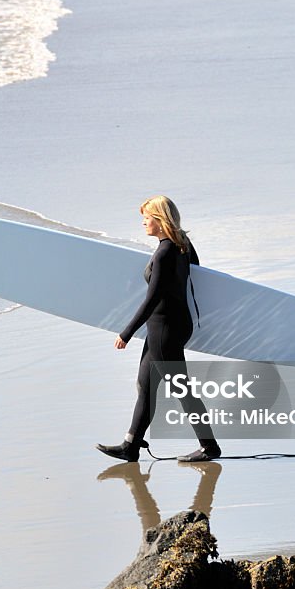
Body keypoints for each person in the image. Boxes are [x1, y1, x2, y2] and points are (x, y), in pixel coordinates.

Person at [96, 196, 222, 463]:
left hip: (164, 328)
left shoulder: (165, 252)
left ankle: (210, 446)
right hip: (171, 324)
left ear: (161, 220)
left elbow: (152, 298)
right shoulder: (183, 245)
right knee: (146, 384)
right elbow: (196, 271)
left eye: (147, 218)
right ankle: (130, 445)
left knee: (182, 390)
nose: (143, 223)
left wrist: (126, 333)